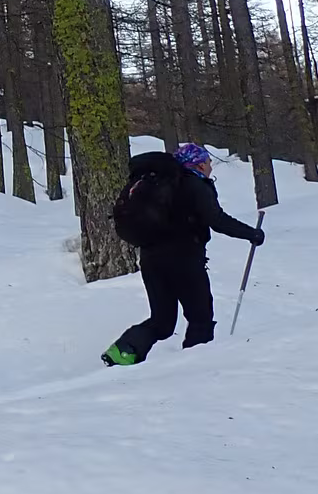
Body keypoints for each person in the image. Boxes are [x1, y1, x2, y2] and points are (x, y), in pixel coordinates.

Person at [102, 143, 264, 367]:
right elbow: (216, 219)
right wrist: (251, 234)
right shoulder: (194, 184)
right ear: (199, 164)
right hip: (184, 260)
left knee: (162, 321)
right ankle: (195, 367)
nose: (210, 167)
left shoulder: (158, 185)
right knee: (200, 318)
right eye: (208, 162)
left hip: (151, 260)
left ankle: (122, 351)